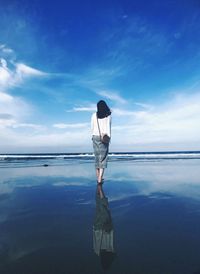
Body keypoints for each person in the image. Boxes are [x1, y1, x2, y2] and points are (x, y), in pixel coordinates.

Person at [91, 100, 111, 185]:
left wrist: (93, 135)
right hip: (104, 137)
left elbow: (92, 127)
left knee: (97, 157)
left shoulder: (94, 115)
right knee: (103, 158)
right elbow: (108, 128)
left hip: (95, 136)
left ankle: (98, 177)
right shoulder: (108, 115)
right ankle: (100, 179)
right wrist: (108, 139)